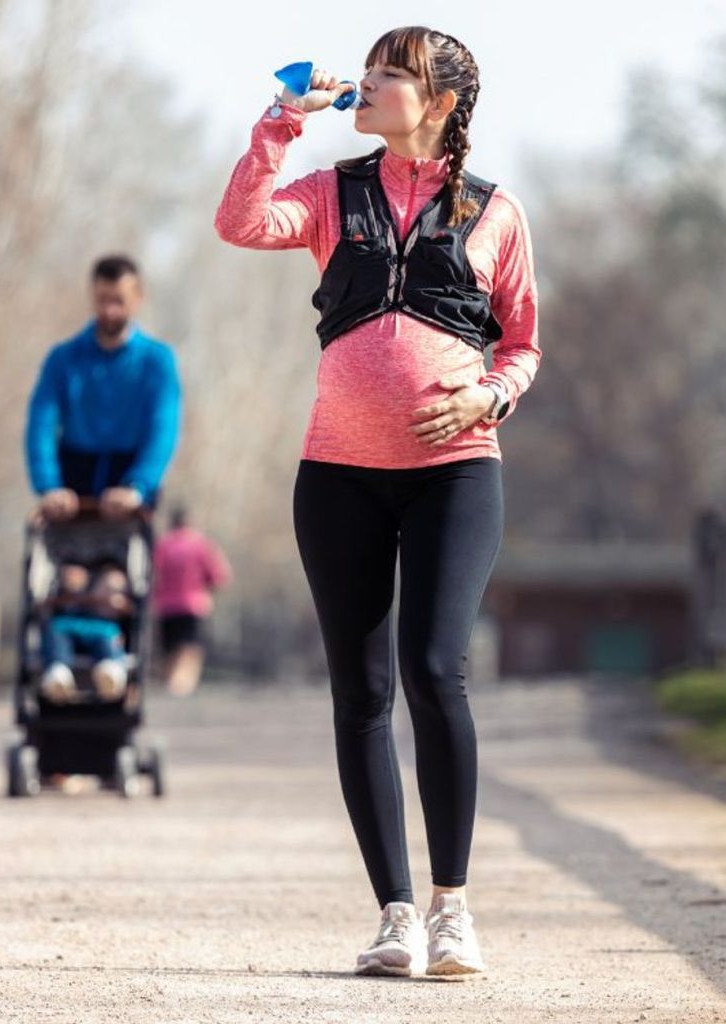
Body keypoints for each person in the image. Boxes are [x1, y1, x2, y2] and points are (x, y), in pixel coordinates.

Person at [215, 26, 540, 978]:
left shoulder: (494, 211)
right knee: (361, 693)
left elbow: (521, 343)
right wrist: (282, 121)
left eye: (392, 73)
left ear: (437, 101)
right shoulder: (332, 193)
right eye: (374, 66)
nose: (369, 81)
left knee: (436, 669)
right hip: (339, 475)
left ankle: (452, 909)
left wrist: (493, 393)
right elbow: (242, 222)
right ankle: (395, 915)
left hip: (457, 470)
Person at [24, 255, 182, 521]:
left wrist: (138, 485)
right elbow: (41, 423)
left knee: (117, 565)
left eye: (118, 301)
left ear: (138, 299)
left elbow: (163, 429)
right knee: (70, 565)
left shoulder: (157, 362)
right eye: (102, 300)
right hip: (72, 479)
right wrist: (49, 486)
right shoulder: (64, 359)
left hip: (129, 476)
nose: (109, 311)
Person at [151, 505, 232, 696]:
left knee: (169, 647)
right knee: (190, 647)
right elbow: (219, 576)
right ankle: (181, 687)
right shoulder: (201, 545)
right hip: (193, 604)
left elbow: (152, 574)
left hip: (165, 606)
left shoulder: (163, 544)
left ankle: (169, 684)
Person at [40, 560, 133, 702]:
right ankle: (58, 676)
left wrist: (116, 605)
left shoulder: (112, 620)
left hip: (102, 632)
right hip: (68, 630)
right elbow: (46, 604)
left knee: (109, 638)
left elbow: (129, 610)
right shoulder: (66, 595)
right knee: (56, 634)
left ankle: (110, 673)